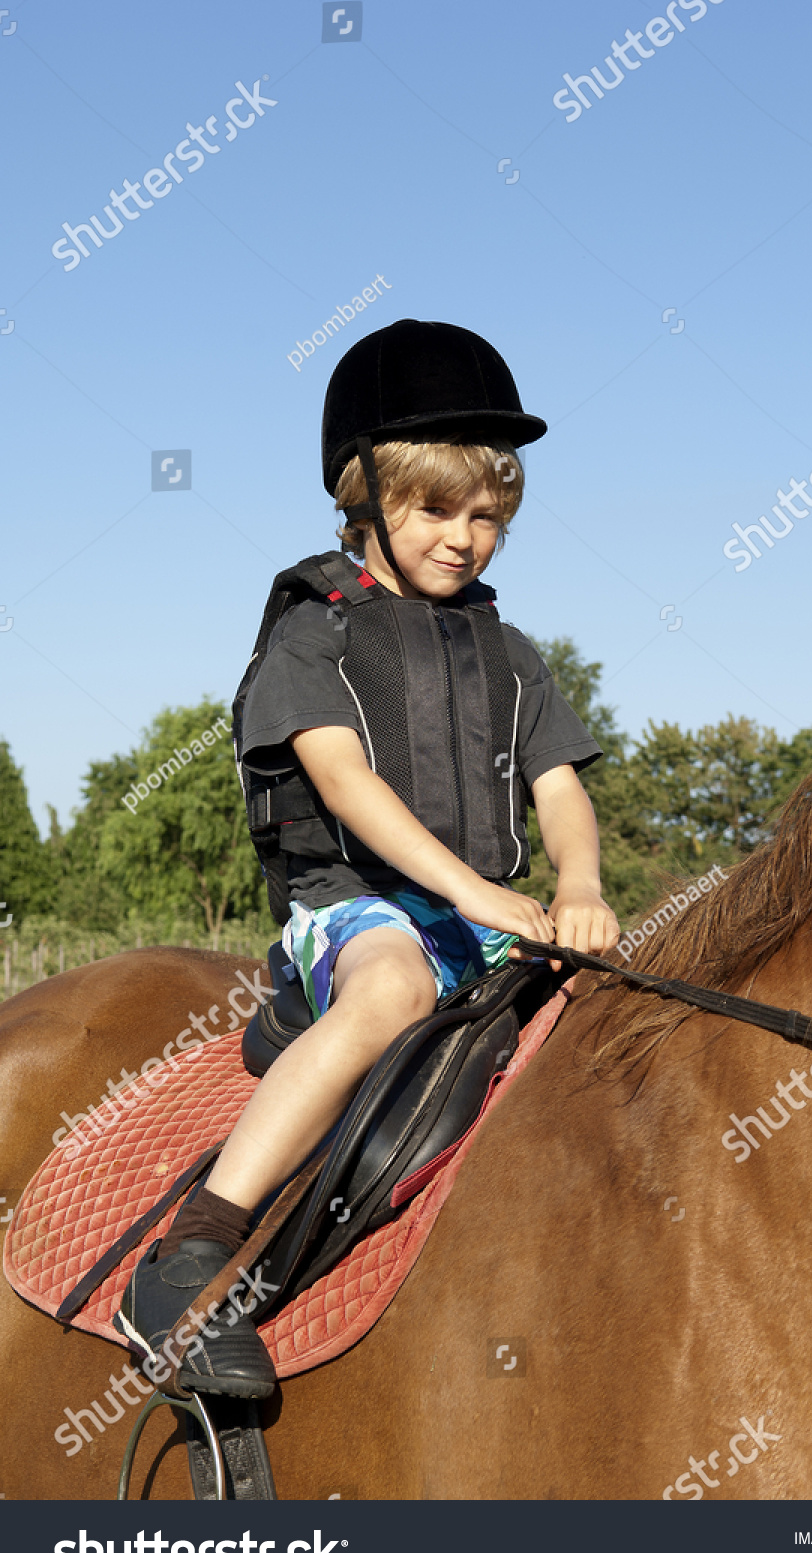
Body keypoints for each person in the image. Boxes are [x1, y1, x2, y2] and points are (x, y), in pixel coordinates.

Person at [116, 319, 620, 1396]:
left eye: (488, 516)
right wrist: (482, 891)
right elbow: (347, 786)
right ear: (361, 501)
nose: (465, 538)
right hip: (355, 907)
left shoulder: (511, 651)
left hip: (481, 918)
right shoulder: (316, 633)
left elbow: (561, 789)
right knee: (390, 981)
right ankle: (193, 1249)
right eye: (435, 509)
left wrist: (577, 884)